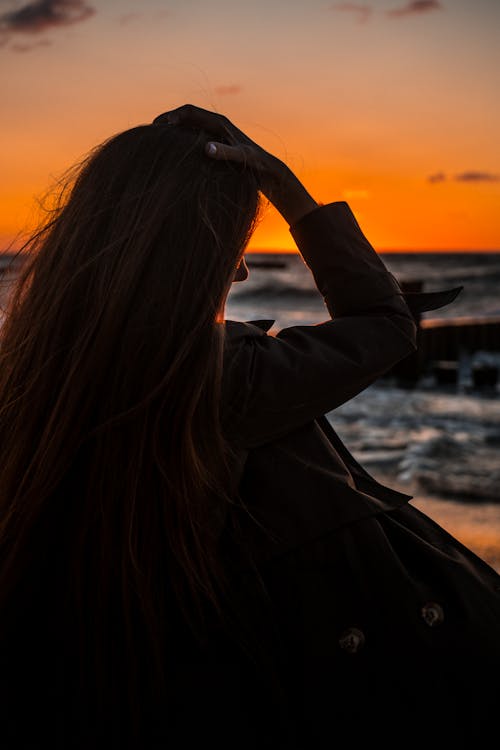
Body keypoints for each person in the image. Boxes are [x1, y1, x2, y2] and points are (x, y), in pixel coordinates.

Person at [0, 103, 498, 749]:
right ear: (209, 254)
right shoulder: (223, 378)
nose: (240, 271)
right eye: (236, 250)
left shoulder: (33, 371)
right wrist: (288, 188)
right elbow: (387, 323)